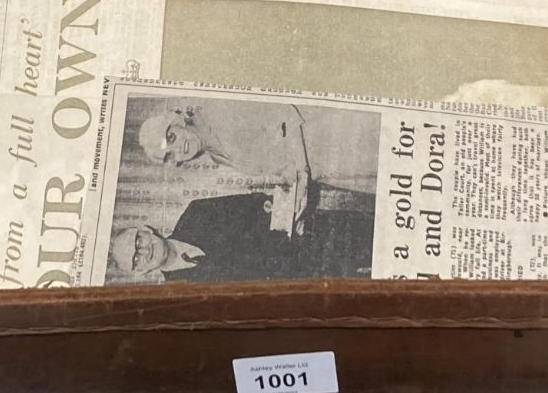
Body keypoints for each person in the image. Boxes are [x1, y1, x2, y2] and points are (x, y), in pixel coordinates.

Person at [106, 192, 374, 286]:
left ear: (146, 229)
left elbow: (259, 203)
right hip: (315, 287)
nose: (144, 251)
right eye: (136, 259)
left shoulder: (197, 212)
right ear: (140, 272)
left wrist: (279, 215)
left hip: (321, 239)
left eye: (138, 241)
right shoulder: (185, 296)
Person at [136, 100, 377, 198]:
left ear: (177, 121)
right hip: (326, 168)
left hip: (331, 135)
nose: (181, 148)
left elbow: (285, 114)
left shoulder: (217, 111)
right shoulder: (216, 155)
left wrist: (301, 172)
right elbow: (273, 151)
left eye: (172, 137)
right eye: (170, 154)